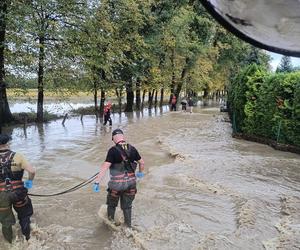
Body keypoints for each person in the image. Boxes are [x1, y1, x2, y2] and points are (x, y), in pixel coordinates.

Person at [93, 129, 145, 228]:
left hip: (116, 186)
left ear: (113, 139)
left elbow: (104, 167)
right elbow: (142, 163)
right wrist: (140, 173)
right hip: (131, 184)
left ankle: (110, 225)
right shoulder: (132, 149)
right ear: (123, 137)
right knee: (127, 207)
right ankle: (128, 227)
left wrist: (97, 182)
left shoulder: (113, 150)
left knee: (112, 205)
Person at [0, 134, 35, 242]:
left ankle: (9, 244)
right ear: (8, 143)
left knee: (5, 222)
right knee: (24, 217)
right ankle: (28, 240)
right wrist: (28, 184)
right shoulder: (18, 156)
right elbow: (32, 171)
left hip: (1, 195)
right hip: (18, 192)